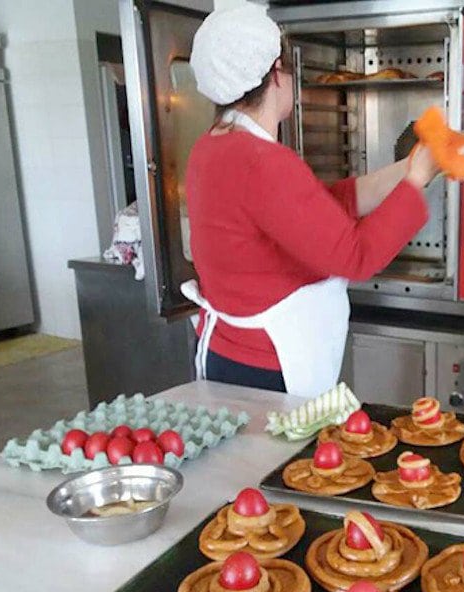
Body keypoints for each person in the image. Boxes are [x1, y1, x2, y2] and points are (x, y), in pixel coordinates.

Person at [184, 3, 438, 396]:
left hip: (230, 357)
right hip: (268, 369)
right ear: (275, 75)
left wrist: (409, 167)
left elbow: (313, 208)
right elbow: (356, 257)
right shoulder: (262, 162)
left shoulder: (212, 148)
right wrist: (419, 179)